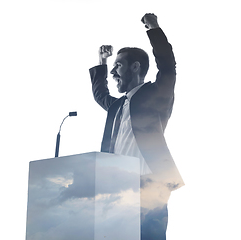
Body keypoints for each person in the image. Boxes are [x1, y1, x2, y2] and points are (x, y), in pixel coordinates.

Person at [89, 13, 184, 240]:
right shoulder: (117, 106)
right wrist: (102, 63)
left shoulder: (156, 94)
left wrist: (153, 29)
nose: (113, 73)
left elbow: (168, 67)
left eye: (118, 66)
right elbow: (100, 94)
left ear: (135, 67)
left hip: (150, 183)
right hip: (119, 185)